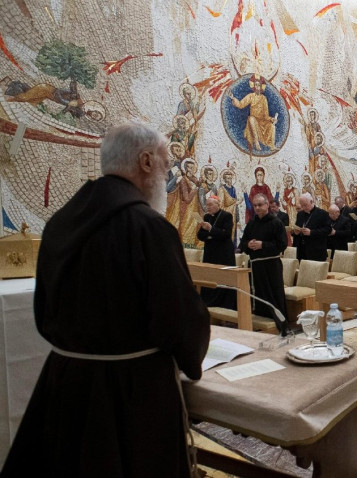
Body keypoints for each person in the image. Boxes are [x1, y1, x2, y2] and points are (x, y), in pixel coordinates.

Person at [1, 120, 211, 477]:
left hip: (64, 387)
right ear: (146, 161)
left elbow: (44, 313)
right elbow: (179, 321)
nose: (165, 174)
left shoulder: (59, 223)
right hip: (131, 396)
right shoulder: (149, 228)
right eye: (164, 164)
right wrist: (192, 360)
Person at [238, 193, 289, 333]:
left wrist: (263, 245)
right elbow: (242, 243)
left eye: (260, 205)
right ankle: (260, 323)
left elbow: (282, 245)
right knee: (258, 295)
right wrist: (248, 244)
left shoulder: (276, 223)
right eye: (255, 205)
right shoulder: (251, 223)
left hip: (271, 266)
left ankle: (279, 325)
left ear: (267, 205)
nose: (257, 208)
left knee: (274, 295)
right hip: (255, 266)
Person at [197, 195, 237, 308]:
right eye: (206, 205)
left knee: (223, 279)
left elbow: (226, 235)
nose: (208, 207)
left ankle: (225, 305)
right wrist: (212, 235)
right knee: (210, 278)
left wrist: (210, 229)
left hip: (223, 254)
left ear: (218, 204)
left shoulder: (227, 216)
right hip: (210, 253)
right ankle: (209, 303)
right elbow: (200, 235)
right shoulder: (206, 217)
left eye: (210, 205)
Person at [229, 75, 277, 152]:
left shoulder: (263, 98)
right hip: (254, 122)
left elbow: (266, 115)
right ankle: (256, 141)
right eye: (256, 85)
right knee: (251, 118)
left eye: (259, 85)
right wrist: (233, 98)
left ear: (261, 87)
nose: (257, 87)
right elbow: (241, 104)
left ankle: (272, 146)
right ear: (254, 86)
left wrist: (272, 119)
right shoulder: (250, 96)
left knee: (272, 126)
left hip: (262, 122)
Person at [292, 193, 332, 261]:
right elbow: (297, 228)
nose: (303, 207)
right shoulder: (300, 214)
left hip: (316, 251)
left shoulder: (322, 213)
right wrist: (295, 232)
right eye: (302, 205)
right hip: (301, 251)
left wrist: (311, 232)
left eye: (305, 205)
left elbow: (328, 230)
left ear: (311, 201)